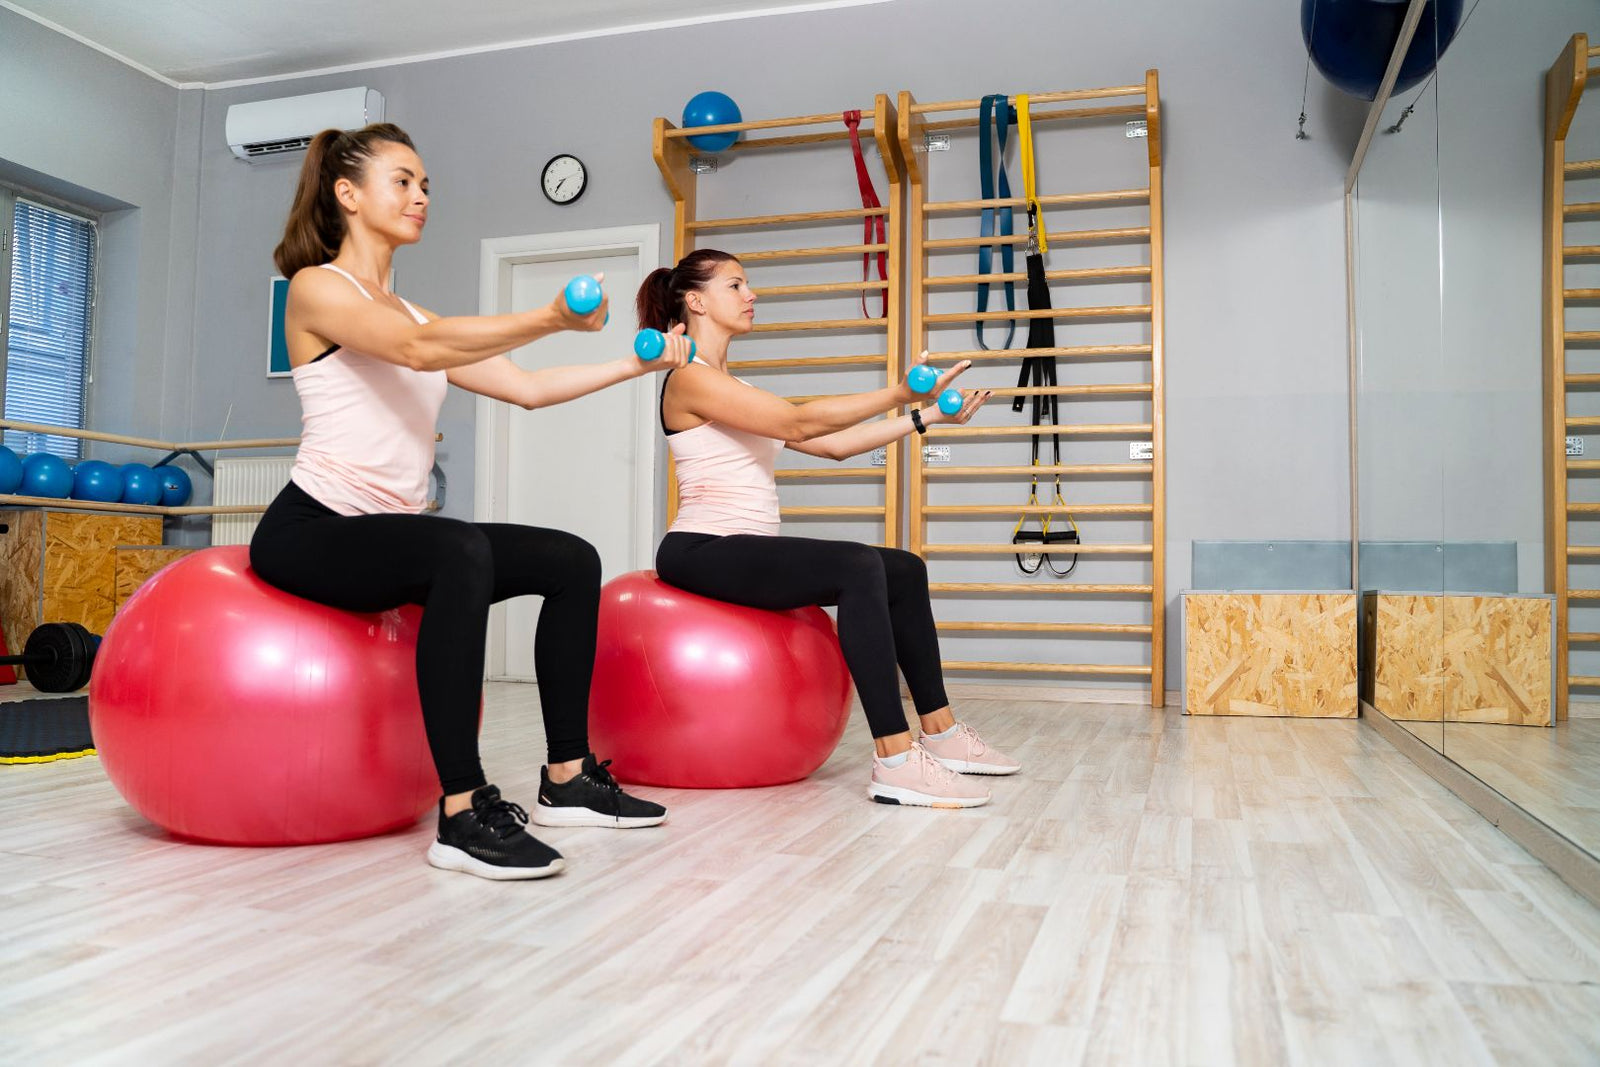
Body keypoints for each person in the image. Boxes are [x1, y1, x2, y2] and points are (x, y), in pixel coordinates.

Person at [250, 124, 685, 881]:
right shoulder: (318, 287)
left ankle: (566, 776)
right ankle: (458, 813)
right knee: (460, 548)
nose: (421, 196)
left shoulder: (417, 314)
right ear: (347, 194)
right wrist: (549, 316)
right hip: (311, 530)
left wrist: (635, 361)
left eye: (427, 186)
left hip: (386, 531)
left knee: (570, 560)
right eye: (403, 180)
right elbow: (420, 351)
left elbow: (529, 389)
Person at [642, 249, 1021, 809]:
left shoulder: (732, 384)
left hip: (741, 547)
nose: (752, 295)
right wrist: (897, 393)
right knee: (857, 565)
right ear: (696, 300)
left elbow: (833, 445)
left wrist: (926, 418)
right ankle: (894, 760)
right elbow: (800, 420)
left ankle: (940, 733)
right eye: (736, 285)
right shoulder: (690, 380)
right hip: (701, 548)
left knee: (904, 568)